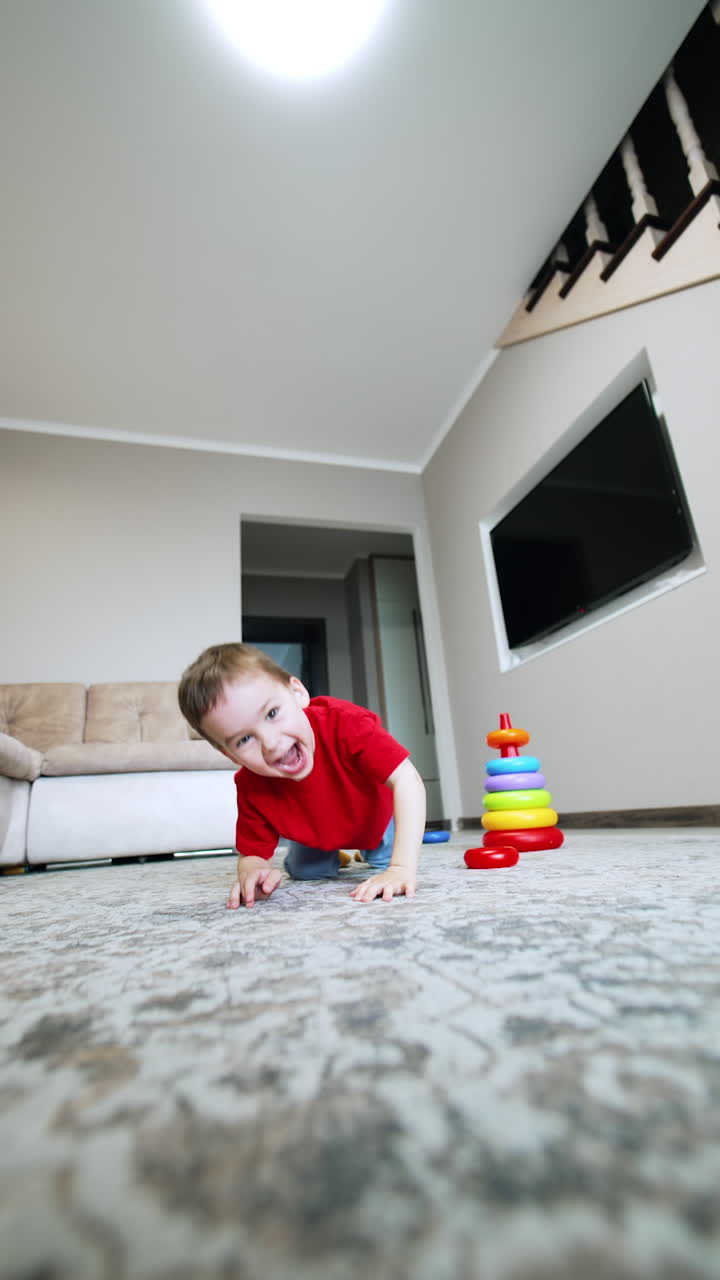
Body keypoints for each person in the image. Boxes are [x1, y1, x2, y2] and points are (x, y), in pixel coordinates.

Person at [178, 643, 426, 909]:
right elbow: (252, 854)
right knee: (305, 872)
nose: (271, 743)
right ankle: (336, 855)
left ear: (297, 693)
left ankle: (373, 852)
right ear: (230, 755)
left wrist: (401, 867)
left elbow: (407, 781)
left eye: (272, 713)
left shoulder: (346, 724)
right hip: (316, 835)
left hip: (374, 820)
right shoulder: (251, 787)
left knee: (386, 862)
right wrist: (254, 873)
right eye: (245, 739)